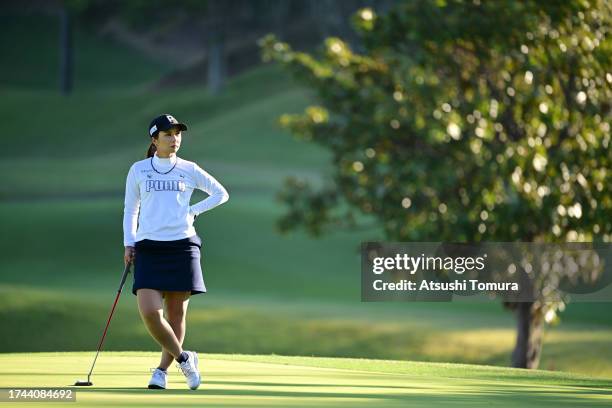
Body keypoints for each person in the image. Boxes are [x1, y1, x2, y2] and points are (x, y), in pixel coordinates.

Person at [122, 114, 229, 390]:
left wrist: (192, 211)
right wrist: (129, 243)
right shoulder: (139, 170)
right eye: (168, 134)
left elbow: (220, 194)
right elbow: (130, 210)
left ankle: (161, 372)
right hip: (148, 247)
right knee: (149, 311)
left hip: (182, 246)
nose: (174, 139)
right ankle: (184, 358)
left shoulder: (188, 168)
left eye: (177, 133)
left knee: (176, 315)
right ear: (154, 139)